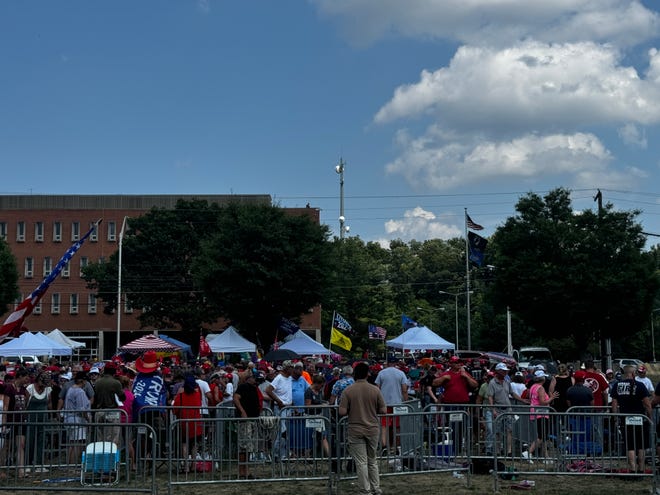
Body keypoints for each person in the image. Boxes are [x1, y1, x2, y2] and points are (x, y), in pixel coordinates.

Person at [338, 362, 387, 495]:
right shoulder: (375, 390)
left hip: (355, 429)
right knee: (372, 460)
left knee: (361, 462)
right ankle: (376, 487)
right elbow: (383, 410)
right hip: (372, 428)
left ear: (354, 374)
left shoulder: (348, 390)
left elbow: (341, 412)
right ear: (367, 374)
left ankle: (365, 490)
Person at [611, 365, 652, 473]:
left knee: (630, 445)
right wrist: (649, 417)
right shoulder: (640, 385)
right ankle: (641, 468)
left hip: (625, 418)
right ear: (634, 374)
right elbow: (647, 404)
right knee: (641, 445)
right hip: (640, 418)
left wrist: (615, 417)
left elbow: (614, 403)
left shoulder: (617, 385)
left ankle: (632, 468)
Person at [132, 351, 167, 460]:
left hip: (140, 411)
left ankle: (143, 455)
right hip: (155, 411)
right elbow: (163, 393)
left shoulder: (137, 378)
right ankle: (149, 454)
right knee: (154, 433)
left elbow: (134, 392)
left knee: (143, 434)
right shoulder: (159, 378)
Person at [487, 363, 525, 457]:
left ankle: (509, 451)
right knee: (497, 431)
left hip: (508, 409)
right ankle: (498, 450)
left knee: (509, 430)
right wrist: (493, 410)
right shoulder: (492, 383)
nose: (505, 372)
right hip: (498, 408)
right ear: (498, 371)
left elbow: (512, 393)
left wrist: (522, 400)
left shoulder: (507, 382)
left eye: (505, 371)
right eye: (503, 370)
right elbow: (490, 397)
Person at [524, 370, 559, 463]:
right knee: (542, 436)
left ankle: (545, 456)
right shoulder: (540, 388)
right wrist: (552, 398)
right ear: (542, 379)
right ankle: (528, 452)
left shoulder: (532, 387)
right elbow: (543, 402)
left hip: (535, 412)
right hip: (541, 413)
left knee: (543, 436)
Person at [233, 370, 263, 478]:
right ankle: (241, 471)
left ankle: (246, 470)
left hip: (253, 419)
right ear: (249, 378)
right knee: (244, 446)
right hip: (245, 421)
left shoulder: (255, 389)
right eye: (255, 379)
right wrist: (242, 411)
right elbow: (236, 398)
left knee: (249, 447)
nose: (257, 381)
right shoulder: (243, 387)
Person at [375, 358, 409, 452]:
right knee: (396, 425)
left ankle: (384, 446)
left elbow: (377, 389)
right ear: (396, 363)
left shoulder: (381, 373)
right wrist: (407, 402)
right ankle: (396, 447)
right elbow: (404, 390)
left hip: (384, 403)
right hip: (397, 403)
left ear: (388, 363)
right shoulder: (401, 373)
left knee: (384, 425)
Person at [173, 373, 203, 474]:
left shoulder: (180, 396)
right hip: (196, 422)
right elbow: (199, 404)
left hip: (184, 422)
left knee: (184, 444)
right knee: (194, 445)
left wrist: (178, 394)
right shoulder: (197, 394)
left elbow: (174, 410)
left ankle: (186, 467)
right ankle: (194, 465)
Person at [25, 370, 52, 471]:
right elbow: (25, 404)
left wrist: (52, 415)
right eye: (42, 383)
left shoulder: (48, 389)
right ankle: (27, 463)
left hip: (43, 419)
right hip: (31, 419)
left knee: (42, 441)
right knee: (30, 441)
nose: (43, 386)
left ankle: (39, 464)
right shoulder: (30, 388)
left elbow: (49, 404)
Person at [63, 371, 91, 465]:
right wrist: (88, 419)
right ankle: (72, 465)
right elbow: (82, 409)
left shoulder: (70, 389)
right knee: (77, 444)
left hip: (70, 418)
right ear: (83, 381)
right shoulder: (80, 392)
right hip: (77, 420)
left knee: (72, 443)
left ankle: (70, 464)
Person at [94, 362, 125, 445]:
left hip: (99, 411)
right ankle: (112, 457)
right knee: (113, 439)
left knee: (100, 438)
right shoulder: (115, 383)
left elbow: (95, 397)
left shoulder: (97, 382)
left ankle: (101, 456)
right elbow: (122, 397)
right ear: (114, 371)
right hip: (112, 411)